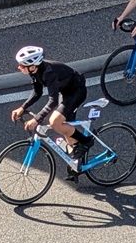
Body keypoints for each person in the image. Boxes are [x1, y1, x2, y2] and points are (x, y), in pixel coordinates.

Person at [10, 46, 92, 175]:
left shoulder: (48, 73)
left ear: (32, 66)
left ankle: (86, 142)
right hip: (65, 91)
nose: (18, 67)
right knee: (65, 128)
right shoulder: (35, 71)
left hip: (77, 91)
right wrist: (22, 107)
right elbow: (37, 93)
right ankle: (77, 164)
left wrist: (37, 119)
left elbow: (52, 101)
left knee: (55, 122)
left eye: (21, 65)